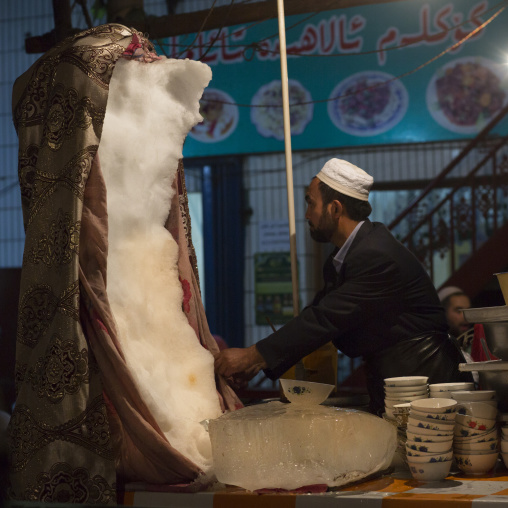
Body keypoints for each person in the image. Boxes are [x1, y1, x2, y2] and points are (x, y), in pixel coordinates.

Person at [215, 158, 472, 414]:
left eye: (310, 203)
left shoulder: (375, 255)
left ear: (335, 209)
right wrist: (257, 365)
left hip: (428, 383)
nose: (306, 215)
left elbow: (324, 319)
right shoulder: (345, 257)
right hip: (401, 380)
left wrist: (252, 355)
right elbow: (316, 315)